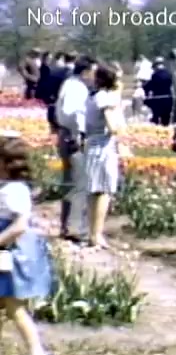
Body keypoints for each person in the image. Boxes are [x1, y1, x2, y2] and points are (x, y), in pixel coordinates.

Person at [0, 134, 54, 355]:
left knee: (14, 306)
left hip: (12, 254)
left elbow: (20, 225)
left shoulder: (15, 191)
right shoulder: (6, 187)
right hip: (6, 251)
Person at [84, 63, 127, 249]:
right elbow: (112, 126)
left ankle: (93, 233)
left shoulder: (95, 96)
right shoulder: (105, 99)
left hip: (93, 145)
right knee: (103, 191)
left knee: (95, 191)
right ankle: (97, 234)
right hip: (103, 147)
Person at [55, 56, 96, 243]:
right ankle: (75, 228)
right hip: (73, 136)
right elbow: (74, 112)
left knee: (70, 181)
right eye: (93, 72)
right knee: (80, 182)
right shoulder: (77, 88)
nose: (95, 76)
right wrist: (79, 133)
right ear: (86, 71)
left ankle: (67, 225)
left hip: (65, 134)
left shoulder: (69, 84)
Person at [145, 58, 173, 126]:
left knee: (156, 119)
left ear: (156, 66)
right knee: (166, 119)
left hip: (157, 99)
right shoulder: (169, 74)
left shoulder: (154, 75)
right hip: (168, 98)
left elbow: (150, 87)